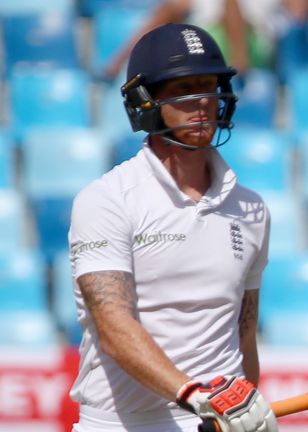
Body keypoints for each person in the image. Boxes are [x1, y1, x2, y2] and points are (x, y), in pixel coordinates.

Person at [68, 23, 279, 432]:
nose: (201, 101)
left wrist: (245, 403)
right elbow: (114, 327)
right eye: (182, 88)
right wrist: (195, 396)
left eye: (208, 86)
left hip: (216, 423)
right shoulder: (107, 199)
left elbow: (243, 328)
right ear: (146, 101)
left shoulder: (251, 209)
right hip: (122, 424)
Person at [102, 0, 283, 80]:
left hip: (253, 46)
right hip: (203, 43)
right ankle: (124, 60)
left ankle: (238, 59)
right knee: (169, 14)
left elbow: (299, 13)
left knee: (230, 6)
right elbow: (170, 10)